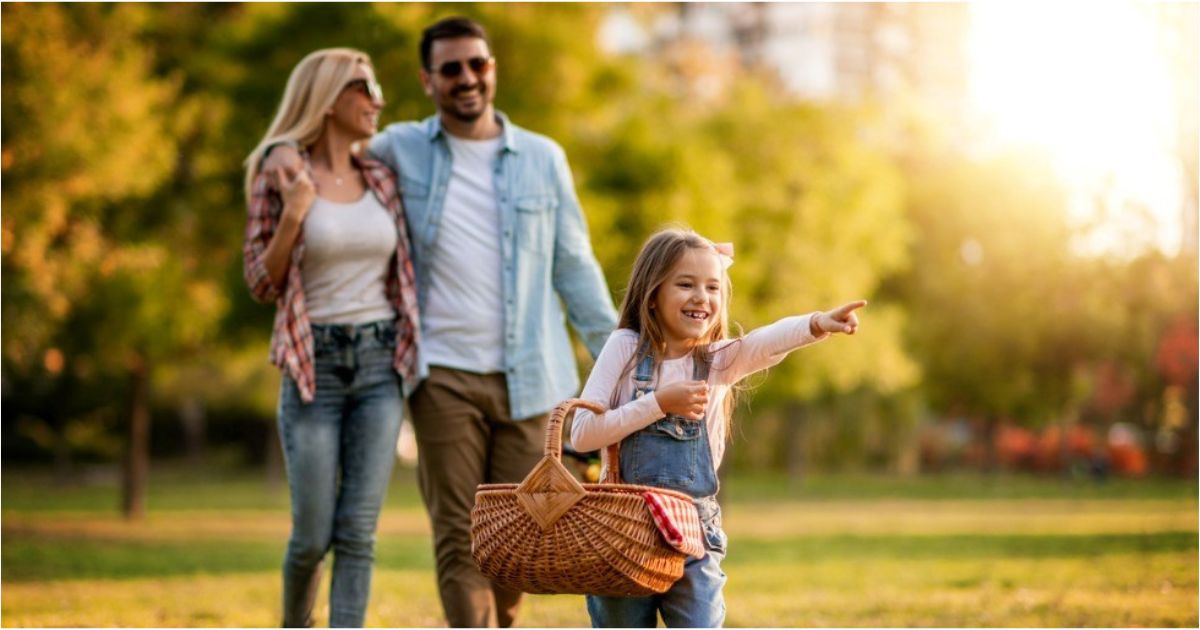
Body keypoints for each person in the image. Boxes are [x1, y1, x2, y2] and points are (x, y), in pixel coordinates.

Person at [261, 17, 618, 628]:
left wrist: (620, 366)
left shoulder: (542, 158)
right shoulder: (398, 148)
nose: (467, 79)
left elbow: (576, 269)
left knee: (520, 543)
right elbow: (325, 142)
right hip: (441, 377)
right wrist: (278, 152)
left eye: (477, 64)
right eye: (450, 69)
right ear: (428, 81)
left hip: (533, 376)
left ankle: (502, 618)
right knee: (461, 538)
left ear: (492, 69)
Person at [570, 228, 866, 628]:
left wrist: (817, 323)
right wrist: (658, 403)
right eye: (686, 284)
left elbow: (765, 340)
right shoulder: (625, 347)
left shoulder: (719, 362)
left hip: (694, 533)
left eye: (712, 287)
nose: (701, 297)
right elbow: (583, 432)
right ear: (652, 294)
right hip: (622, 532)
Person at [242, 48, 420, 627]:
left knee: (358, 532)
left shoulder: (381, 179)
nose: (378, 102)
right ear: (328, 97)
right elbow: (260, 282)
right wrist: (294, 214)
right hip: (311, 365)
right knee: (311, 536)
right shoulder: (283, 176)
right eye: (364, 89)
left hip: (378, 364)